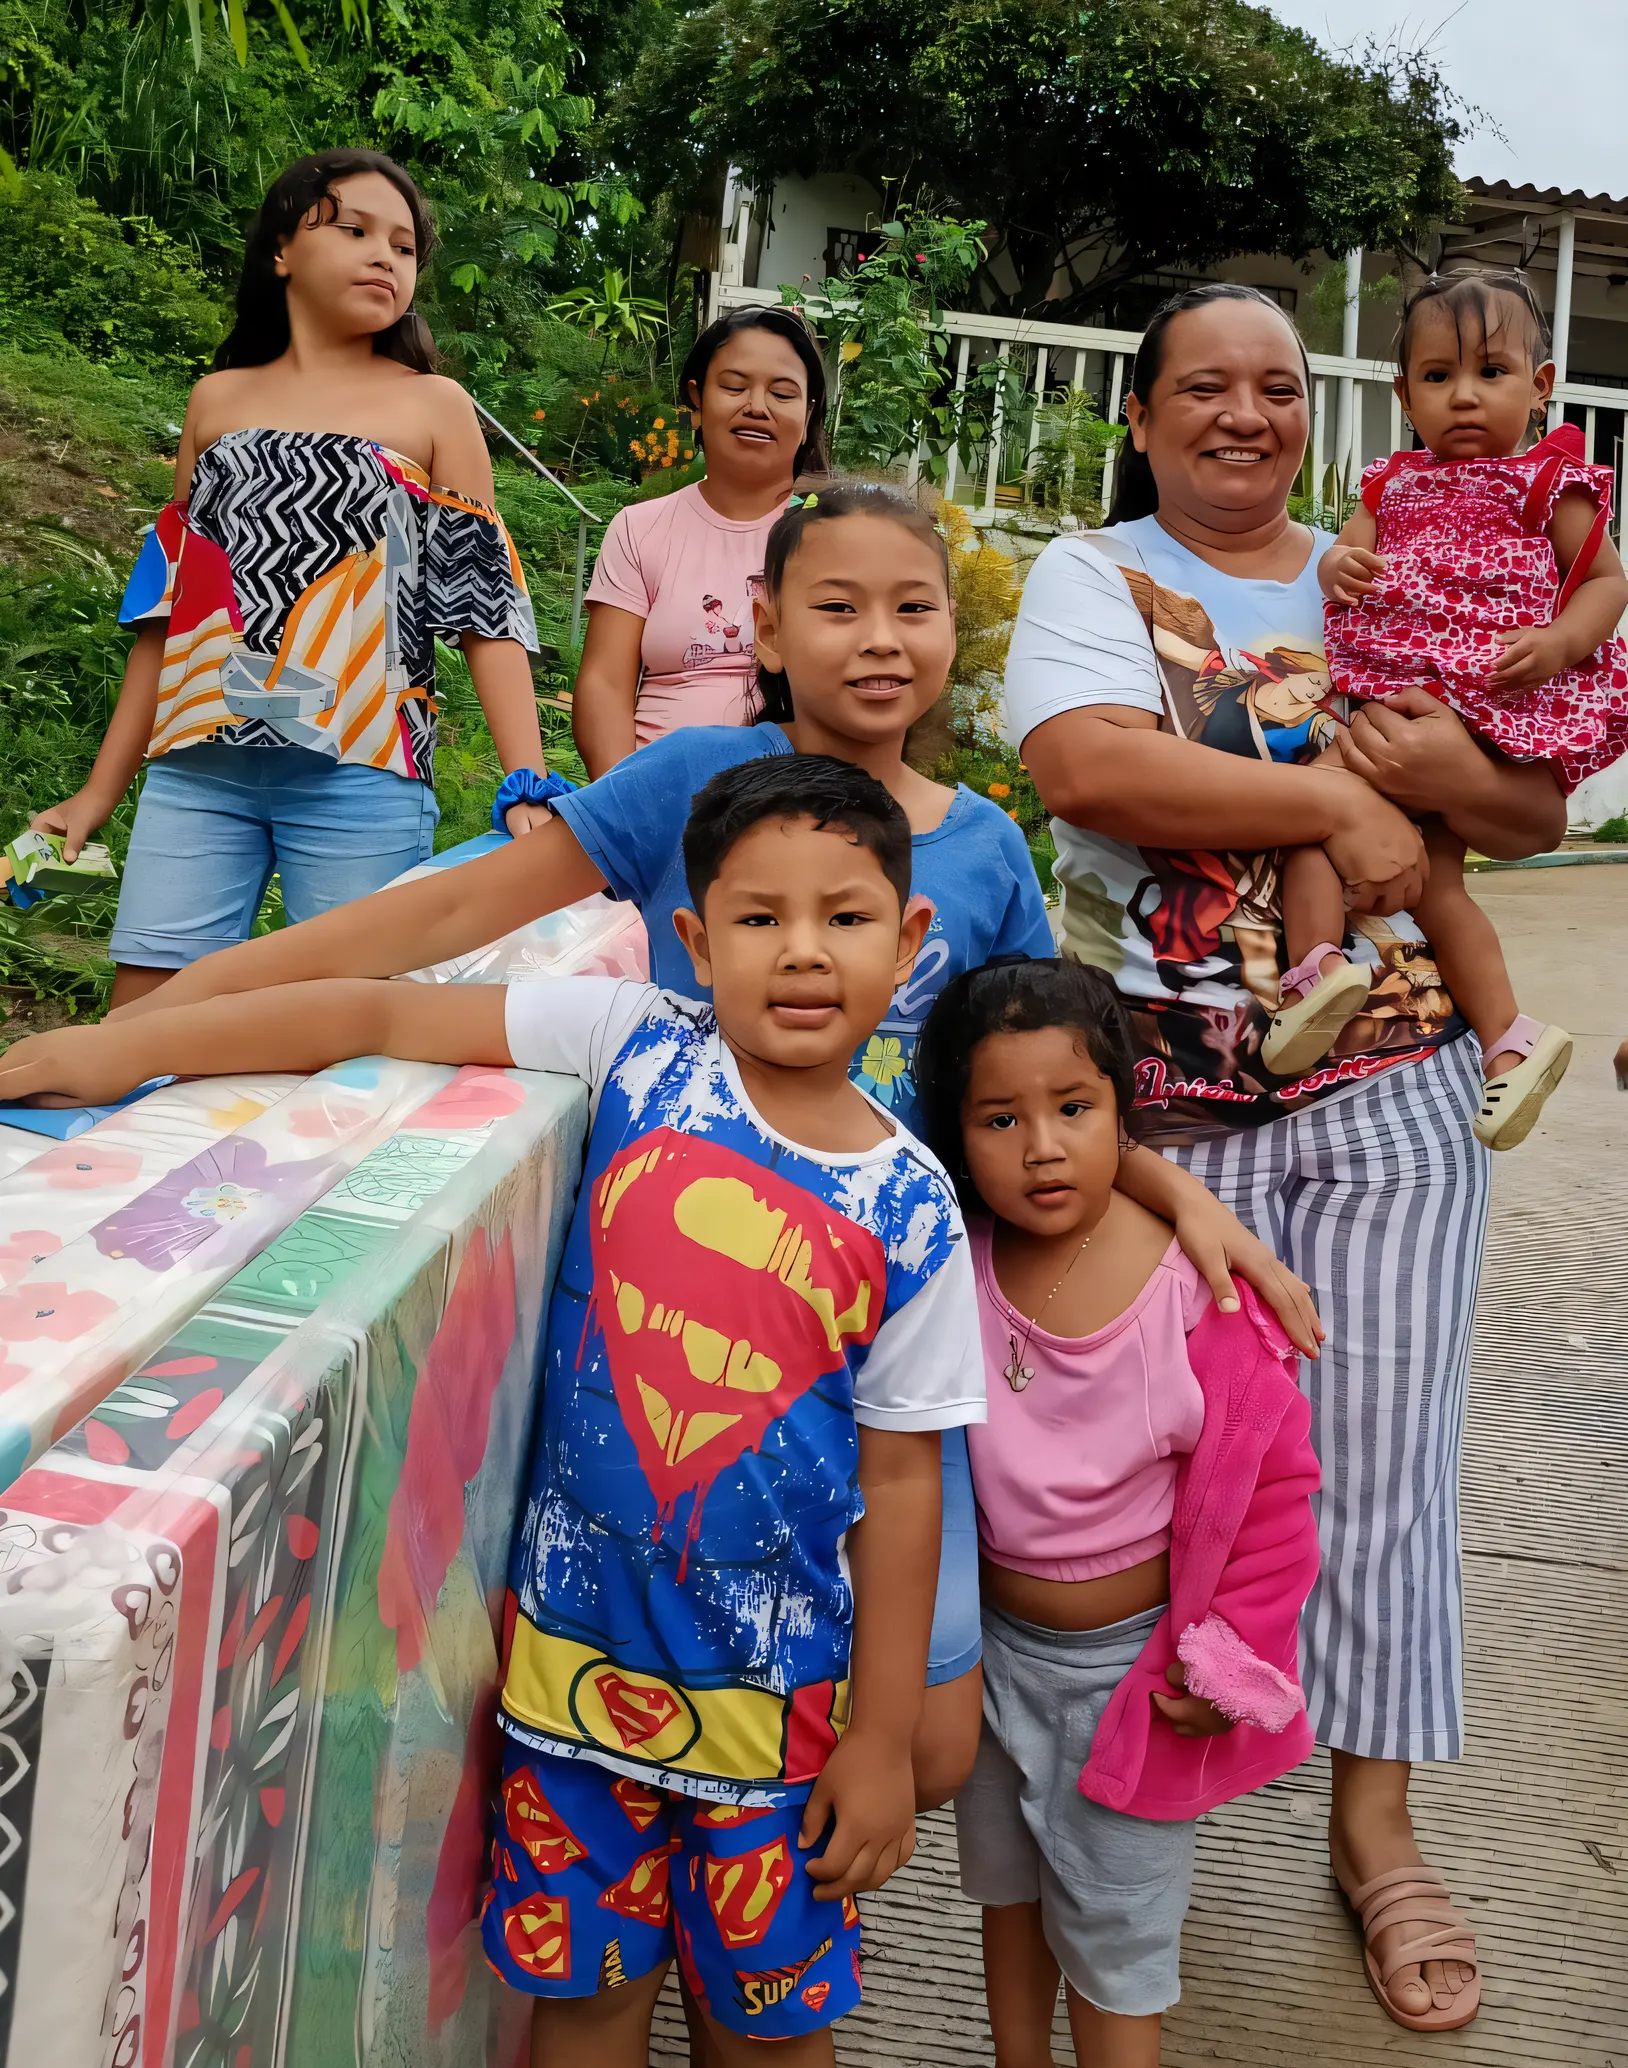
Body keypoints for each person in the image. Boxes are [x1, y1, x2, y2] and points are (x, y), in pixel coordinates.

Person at [68, 477, 1320, 1817]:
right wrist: (160, 1026)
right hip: (693, 1331)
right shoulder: (692, 784)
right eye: (838, 608)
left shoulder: (986, 847)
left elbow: (1039, 1075)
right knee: (663, 1701)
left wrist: (1168, 1187)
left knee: (929, 1738)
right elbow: (434, 925)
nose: (880, 638)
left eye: (915, 608)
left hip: (892, 1352)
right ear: (767, 631)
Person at [0, 753, 985, 2064]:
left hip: (777, 1708)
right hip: (566, 1685)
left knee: (769, 2025)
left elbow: (908, 1482)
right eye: (760, 919)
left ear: (910, 938)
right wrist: (114, 1049)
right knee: (581, 2003)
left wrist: (878, 1735)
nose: (802, 954)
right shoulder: (635, 1041)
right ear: (693, 939)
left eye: (844, 918)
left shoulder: (914, 1210)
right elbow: (376, 1015)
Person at [1005, 281, 1570, 2035]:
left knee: (1385, 1461)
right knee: (1179, 1477)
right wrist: (1335, 800)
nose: (1241, 414)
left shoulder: (1368, 572)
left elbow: (1534, 805)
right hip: (1162, 1106)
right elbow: (1085, 763)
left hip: (1390, 1081)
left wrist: (1425, 777)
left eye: (1272, 386)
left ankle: (1376, 1827)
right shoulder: (1090, 580)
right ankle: (1137, 1817)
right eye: (1202, 387)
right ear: (1141, 414)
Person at [915, 957, 1320, 2068]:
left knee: (1115, 1941)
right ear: (956, 1132)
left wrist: (1229, 1654)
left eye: (1073, 1108)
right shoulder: (954, 1264)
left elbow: (1275, 1493)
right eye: (1000, 1118)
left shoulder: (1191, 1289)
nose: (1040, 1144)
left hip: (1130, 1682)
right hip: (991, 1664)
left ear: (1122, 1114)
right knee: (1007, 1895)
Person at [32, 148, 550, 1011]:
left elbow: (482, 608)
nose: (386, 255)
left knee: (343, 1023)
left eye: (406, 246)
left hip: (365, 766)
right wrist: (96, 794)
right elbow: (169, 617)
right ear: (281, 250)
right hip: (198, 767)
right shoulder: (217, 402)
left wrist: (529, 784)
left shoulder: (436, 407)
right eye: (354, 230)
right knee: (143, 1013)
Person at [1268, 268, 1628, 1150]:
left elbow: (1608, 583)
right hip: (1395, 691)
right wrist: (1337, 567)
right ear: (1404, 393)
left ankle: (1321, 973)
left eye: (1492, 372)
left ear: (1540, 387)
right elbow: (1346, 556)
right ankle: (1498, 1034)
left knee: (1330, 810)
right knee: (1405, 871)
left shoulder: (1552, 481)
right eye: (1437, 377)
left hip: (1482, 701)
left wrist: (1559, 644)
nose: (1463, 396)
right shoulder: (1391, 485)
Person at [572, 306, 828, 773]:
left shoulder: (833, 533)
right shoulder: (639, 528)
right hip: (653, 793)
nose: (757, 406)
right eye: (734, 386)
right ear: (697, 398)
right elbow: (604, 685)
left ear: (809, 414)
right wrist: (624, 808)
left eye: (783, 393)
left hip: (791, 798)